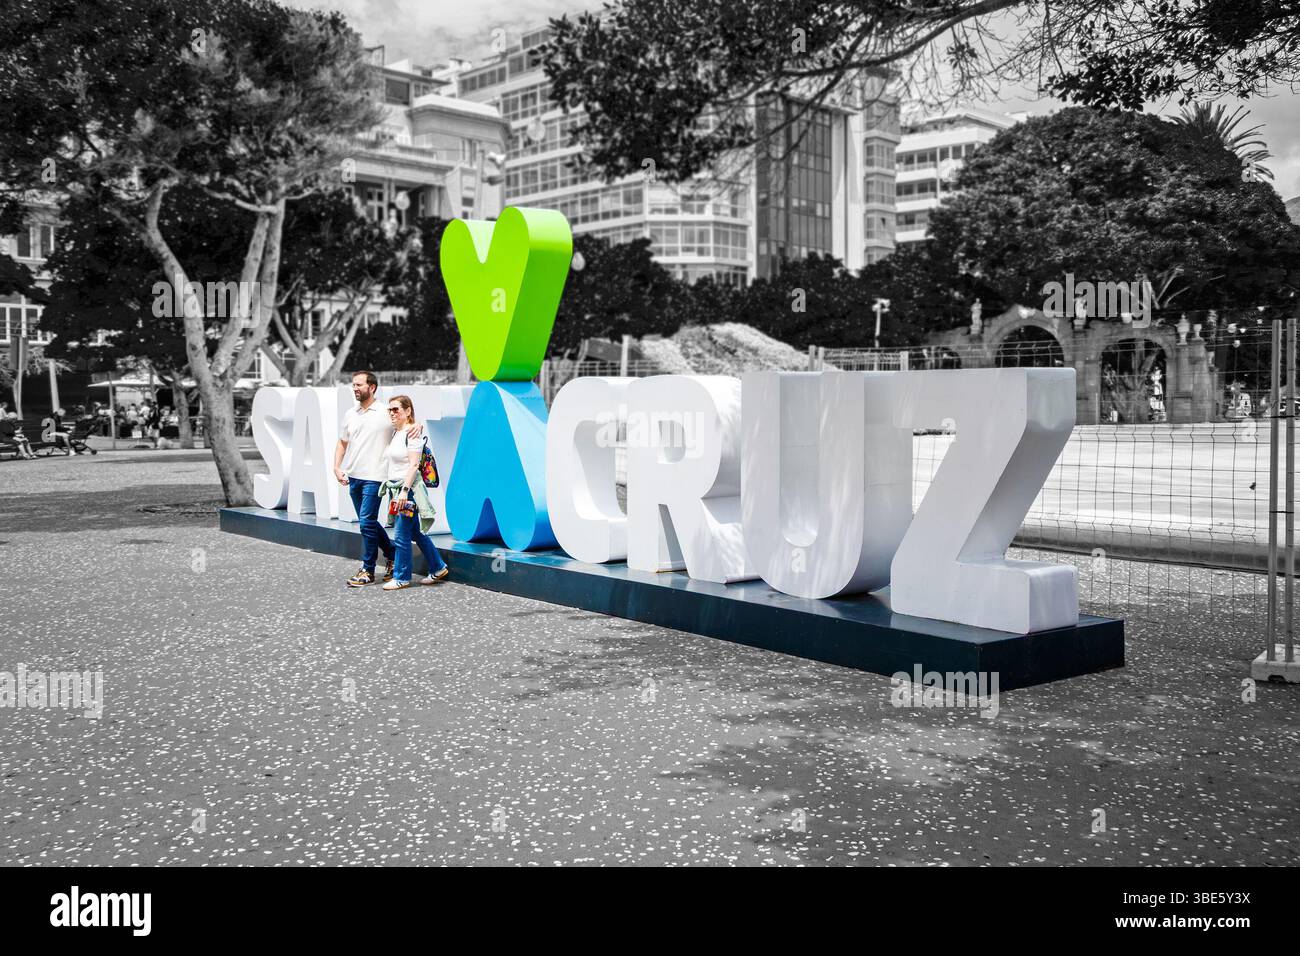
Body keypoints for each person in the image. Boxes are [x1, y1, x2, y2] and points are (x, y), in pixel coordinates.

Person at [333, 370, 423, 588]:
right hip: (353, 476)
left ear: (372, 387)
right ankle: (391, 555)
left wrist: (418, 425)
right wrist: (336, 467)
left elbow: (407, 424)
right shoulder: (350, 414)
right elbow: (342, 442)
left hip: (376, 478)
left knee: (366, 522)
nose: (355, 388)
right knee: (369, 523)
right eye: (353, 385)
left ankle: (368, 569)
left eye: (359, 385)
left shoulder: (385, 411)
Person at [378, 395, 449, 590]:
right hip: (397, 489)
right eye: (390, 410)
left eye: (396, 409)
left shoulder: (412, 433)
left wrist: (403, 491)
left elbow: (414, 465)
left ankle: (401, 577)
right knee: (415, 532)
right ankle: (438, 567)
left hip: (406, 490)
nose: (392, 413)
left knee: (401, 535)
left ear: (408, 411)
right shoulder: (397, 432)